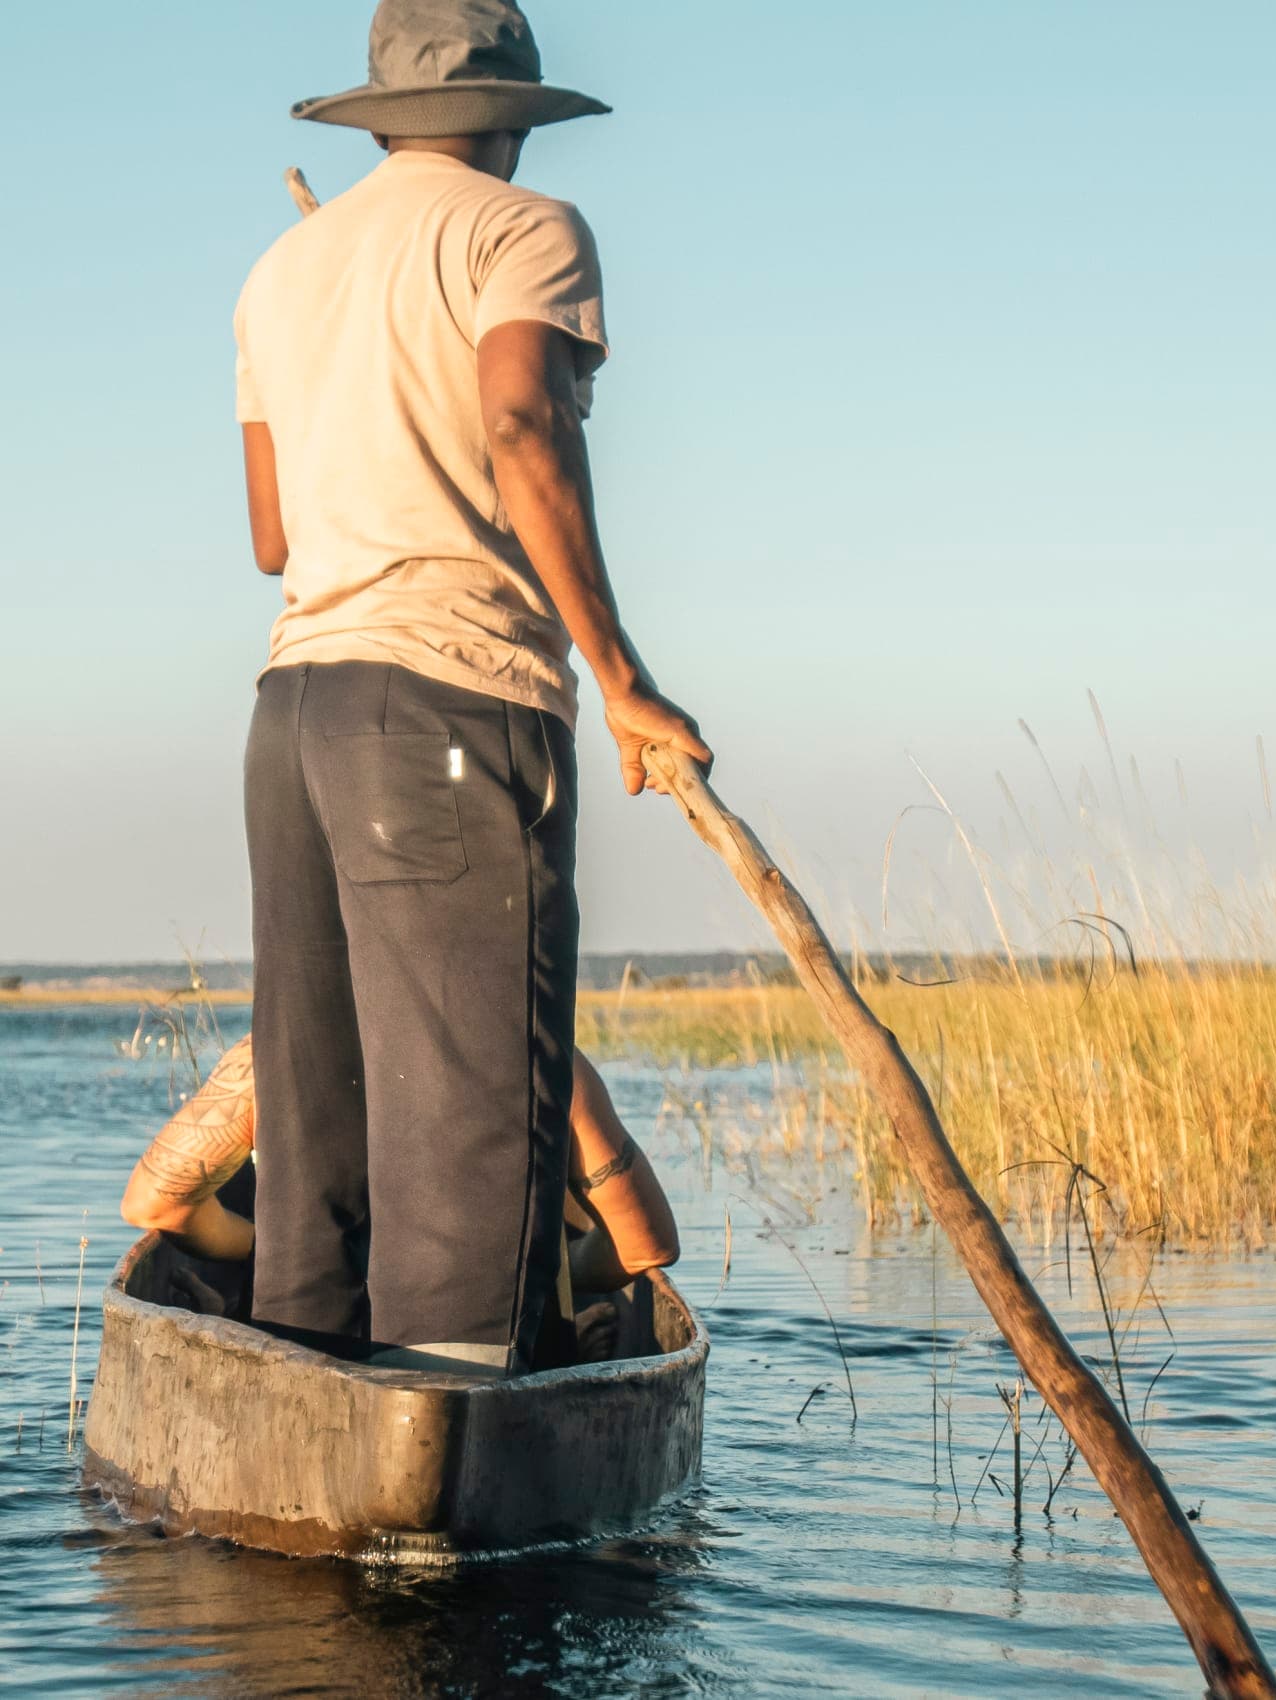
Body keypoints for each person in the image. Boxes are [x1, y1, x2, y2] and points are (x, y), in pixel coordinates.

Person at [234, 0, 710, 1372]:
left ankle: (300, 1424)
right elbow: (519, 423)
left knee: (314, 1106)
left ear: (384, 116)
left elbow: (274, 540)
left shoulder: (282, 271)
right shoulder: (525, 231)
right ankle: (444, 1476)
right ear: (510, 116)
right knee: (469, 1119)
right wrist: (620, 678)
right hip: (447, 704)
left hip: (296, 712)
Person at [121, 1038, 678, 1359]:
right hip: (491, 1347)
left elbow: (155, 1205)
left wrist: (268, 1248)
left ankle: (237, 1321)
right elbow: (645, 1247)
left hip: (314, 1335)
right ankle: (559, 1351)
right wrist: (553, 1271)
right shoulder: (540, 1055)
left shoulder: (266, 1057)